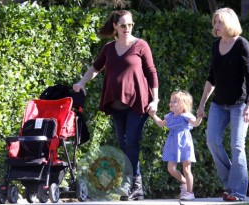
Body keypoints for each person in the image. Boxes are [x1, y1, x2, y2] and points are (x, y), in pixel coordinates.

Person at [73, 10, 159, 201]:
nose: (127, 29)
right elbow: (95, 68)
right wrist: (81, 83)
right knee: (123, 144)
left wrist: (156, 100)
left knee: (132, 142)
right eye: (123, 25)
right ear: (115, 26)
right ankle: (138, 188)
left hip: (138, 103)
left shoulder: (141, 45)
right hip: (116, 103)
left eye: (130, 25)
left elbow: (152, 73)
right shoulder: (109, 48)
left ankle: (128, 184)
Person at [197, 7, 249, 201]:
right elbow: (211, 77)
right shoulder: (216, 46)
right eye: (215, 23)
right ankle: (232, 184)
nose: (216, 26)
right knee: (212, 141)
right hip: (218, 104)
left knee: (237, 145)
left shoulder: (241, 44)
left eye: (219, 22)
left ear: (229, 23)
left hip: (239, 104)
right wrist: (202, 104)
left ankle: (237, 192)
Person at [149, 90, 203, 201]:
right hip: (173, 144)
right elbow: (160, 123)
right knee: (171, 169)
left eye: (175, 101)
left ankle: (189, 192)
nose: (171, 103)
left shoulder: (186, 115)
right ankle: (183, 182)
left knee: (186, 169)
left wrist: (200, 117)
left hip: (184, 144)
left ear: (183, 105)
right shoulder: (169, 116)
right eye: (171, 101)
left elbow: (196, 123)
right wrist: (153, 115)